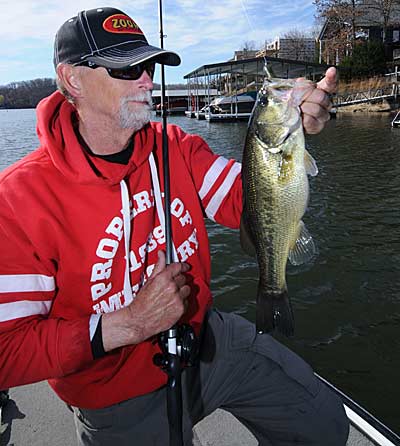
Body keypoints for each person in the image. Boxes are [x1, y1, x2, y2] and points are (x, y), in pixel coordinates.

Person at [0, 7, 349, 446]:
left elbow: (250, 201)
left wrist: (293, 131)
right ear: (72, 79)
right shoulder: (18, 199)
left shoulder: (176, 148)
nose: (147, 80)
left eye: (148, 66)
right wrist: (126, 323)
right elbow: (6, 351)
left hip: (205, 342)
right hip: (113, 393)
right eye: (128, 68)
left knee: (322, 423)